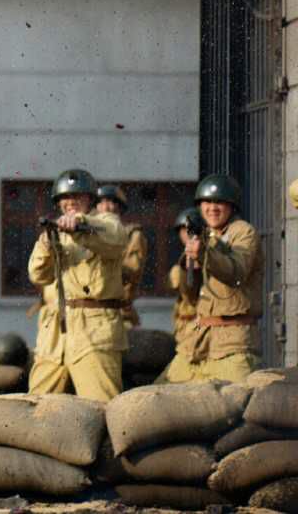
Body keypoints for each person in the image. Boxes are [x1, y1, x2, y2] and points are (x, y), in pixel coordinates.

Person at [26, 168, 128, 402]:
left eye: (77, 197)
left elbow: (116, 237)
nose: (70, 202)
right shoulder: (56, 232)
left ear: (90, 199)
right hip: (55, 333)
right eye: (64, 198)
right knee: (36, 405)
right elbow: (38, 276)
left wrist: (81, 225)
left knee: (102, 405)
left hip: (94, 328)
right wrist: (46, 246)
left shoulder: (105, 222)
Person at [158, 174, 260, 382]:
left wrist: (205, 253)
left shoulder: (244, 233)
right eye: (207, 202)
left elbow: (237, 271)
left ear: (232, 205)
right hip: (197, 343)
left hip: (232, 344)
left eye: (219, 202)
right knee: (156, 397)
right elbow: (191, 295)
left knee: (238, 406)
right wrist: (190, 269)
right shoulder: (203, 236)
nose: (212, 208)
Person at [155, 207, 206, 383]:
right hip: (183, 326)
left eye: (190, 230)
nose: (186, 235)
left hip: (198, 327)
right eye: (183, 231)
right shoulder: (183, 259)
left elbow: (191, 292)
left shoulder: (202, 255)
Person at [97, 184, 147, 327]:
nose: (105, 207)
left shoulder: (132, 235)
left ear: (119, 207)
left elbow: (132, 270)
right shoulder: (91, 235)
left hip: (119, 312)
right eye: (100, 202)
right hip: (91, 313)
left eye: (110, 202)